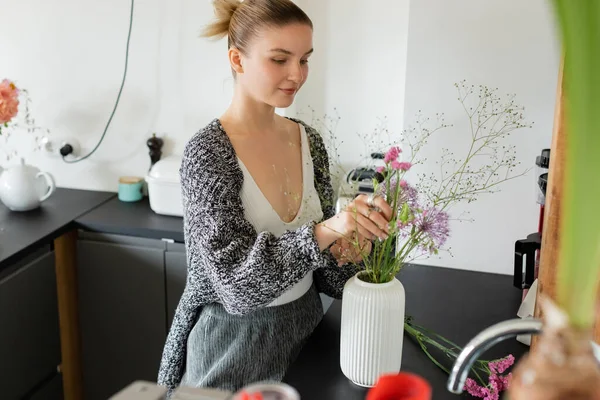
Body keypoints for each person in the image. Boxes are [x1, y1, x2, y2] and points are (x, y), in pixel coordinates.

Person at [157, 0, 393, 395]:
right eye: (280, 59)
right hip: (232, 348)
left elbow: (326, 277)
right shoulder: (208, 153)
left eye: (304, 60)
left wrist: (350, 247)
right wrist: (325, 232)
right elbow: (236, 287)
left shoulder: (308, 141)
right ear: (237, 59)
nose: (296, 75)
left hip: (306, 331)